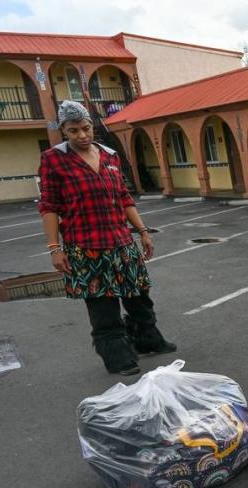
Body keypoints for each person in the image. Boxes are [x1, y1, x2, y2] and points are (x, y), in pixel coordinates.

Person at [38, 100, 176, 375]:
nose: (82, 135)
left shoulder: (110, 156)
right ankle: (117, 357)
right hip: (86, 247)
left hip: (122, 243)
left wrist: (143, 232)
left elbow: (124, 198)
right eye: (74, 130)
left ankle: (148, 339)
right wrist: (55, 247)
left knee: (139, 296)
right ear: (64, 130)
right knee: (104, 306)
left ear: (92, 126)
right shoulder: (53, 159)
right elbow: (49, 206)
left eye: (86, 128)